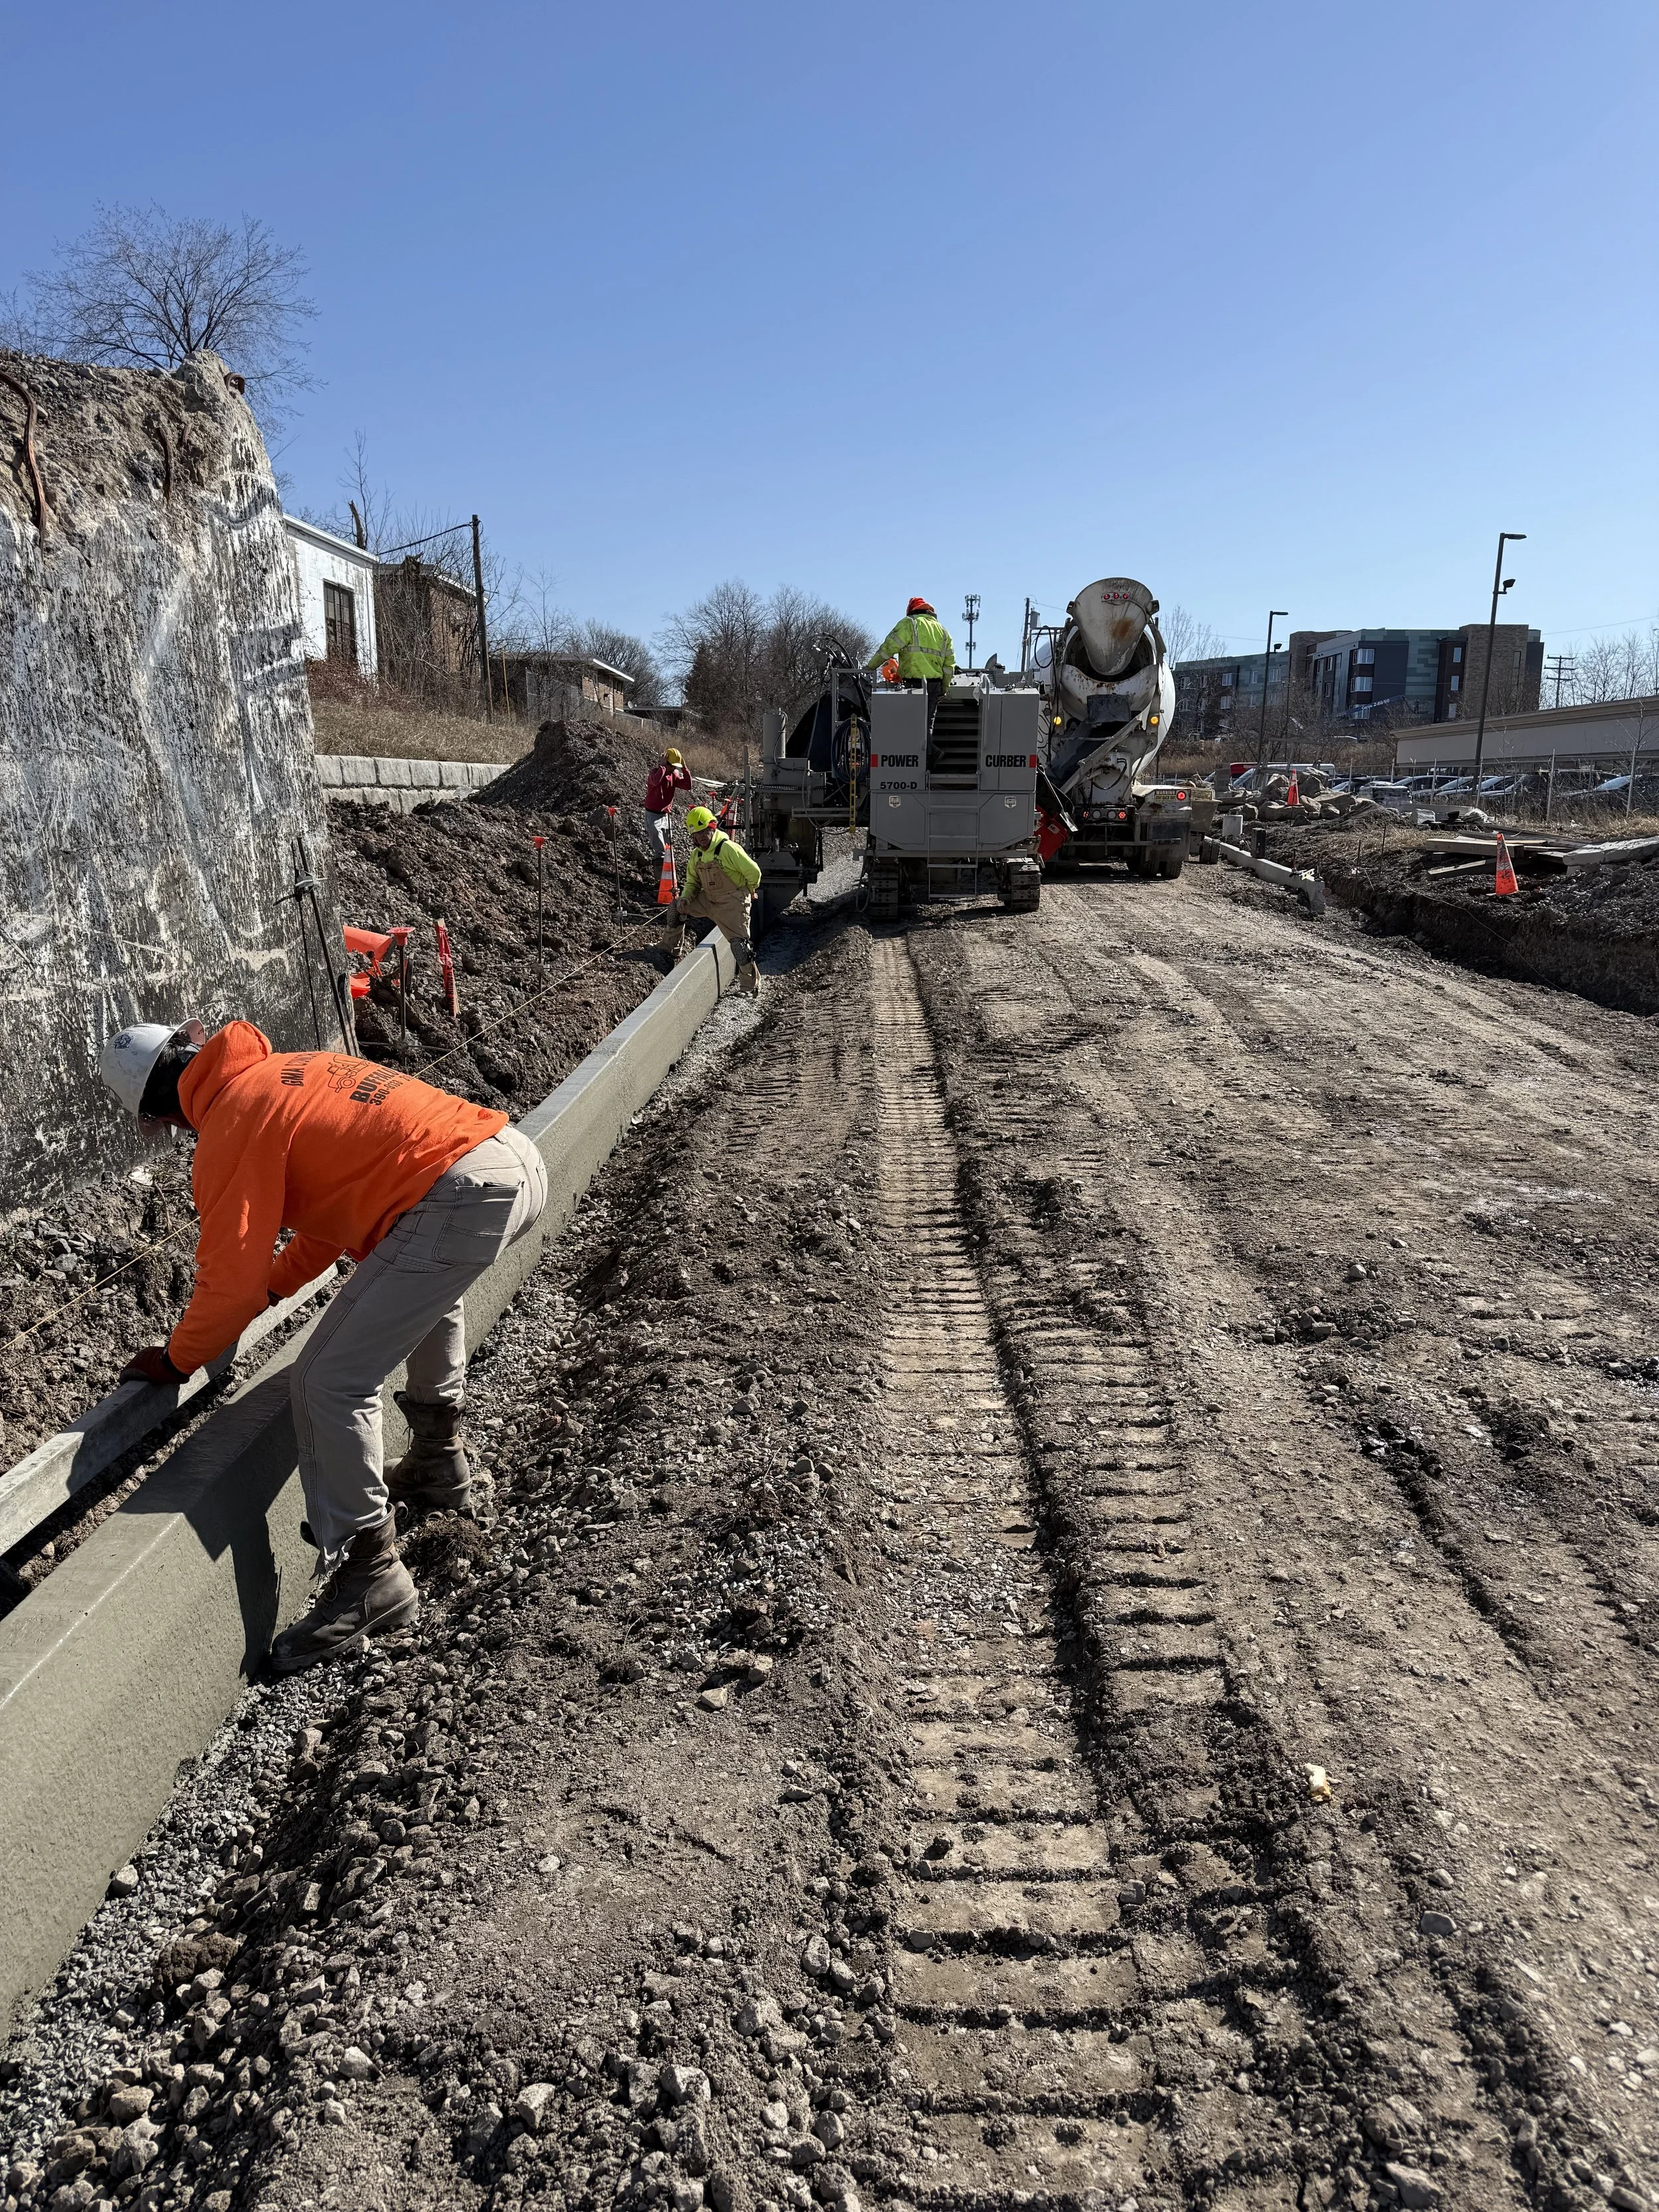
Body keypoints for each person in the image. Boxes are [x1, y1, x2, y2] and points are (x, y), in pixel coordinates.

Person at [98, 1017, 549, 1673]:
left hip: (460, 1195)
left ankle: (371, 1574)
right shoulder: (286, 1073)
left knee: (326, 1381)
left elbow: (228, 1282)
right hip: (507, 1156)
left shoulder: (231, 1122)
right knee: (423, 1284)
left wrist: (176, 1361)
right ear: (190, 1048)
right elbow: (327, 1219)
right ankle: (437, 1458)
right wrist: (276, 1290)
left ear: (154, 1117)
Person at [668, 805, 762, 997]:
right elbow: (693, 882)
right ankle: (668, 949)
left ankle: (748, 986)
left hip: (733, 903)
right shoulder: (697, 855)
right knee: (676, 908)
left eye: (705, 832)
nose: (702, 837)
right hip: (709, 900)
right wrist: (685, 898)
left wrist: (748, 891)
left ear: (713, 827)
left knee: (740, 947)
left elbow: (754, 873)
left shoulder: (728, 849)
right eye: (697, 834)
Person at [866, 596, 956, 731]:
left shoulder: (909, 623)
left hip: (912, 685)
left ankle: (932, 752)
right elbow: (949, 665)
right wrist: (944, 688)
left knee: (910, 729)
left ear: (911, 610)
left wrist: (870, 667)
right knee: (926, 727)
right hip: (934, 685)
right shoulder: (943, 631)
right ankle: (930, 751)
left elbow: (887, 649)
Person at [643, 745, 692, 870]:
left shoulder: (674, 775)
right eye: (672, 766)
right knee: (660, 851)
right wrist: (663, 766)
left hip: (665, 816)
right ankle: (661, 878)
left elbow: (688, 786)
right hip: (653, 815)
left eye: (676, 766)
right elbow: (656, 781)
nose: (674, 768)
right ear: (666, 763)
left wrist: (685, 769)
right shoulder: (655, 773)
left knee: (668, 848)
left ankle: (670, 877)